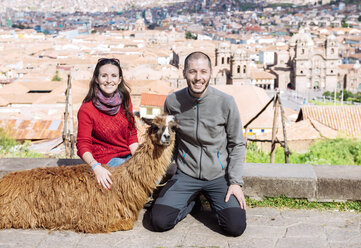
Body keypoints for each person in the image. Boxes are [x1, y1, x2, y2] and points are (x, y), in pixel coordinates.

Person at [150, 51, 247, 236]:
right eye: (192, 71)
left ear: (211, 73)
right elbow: (167, 141)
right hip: (186, 174)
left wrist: (235, 183)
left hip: (219, 176)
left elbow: (237, 144)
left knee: (235, 227)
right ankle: (191, 203)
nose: (198, 77)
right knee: (159, 221)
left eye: (203, 71)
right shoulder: (172, 101)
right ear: (184, 73)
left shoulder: (226, 102)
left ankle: (207, 201)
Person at [76, 58, 139, 190]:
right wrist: (96, 167)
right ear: (97, 79)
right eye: (104, 76)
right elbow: (82, 145)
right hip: (105, 162)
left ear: (120, 80)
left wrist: (139, 160)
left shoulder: (125, 100)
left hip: (127, 157)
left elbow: (131, 135)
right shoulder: (87, 109)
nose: (109, 80)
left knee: (154, 177)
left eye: (114, 76)